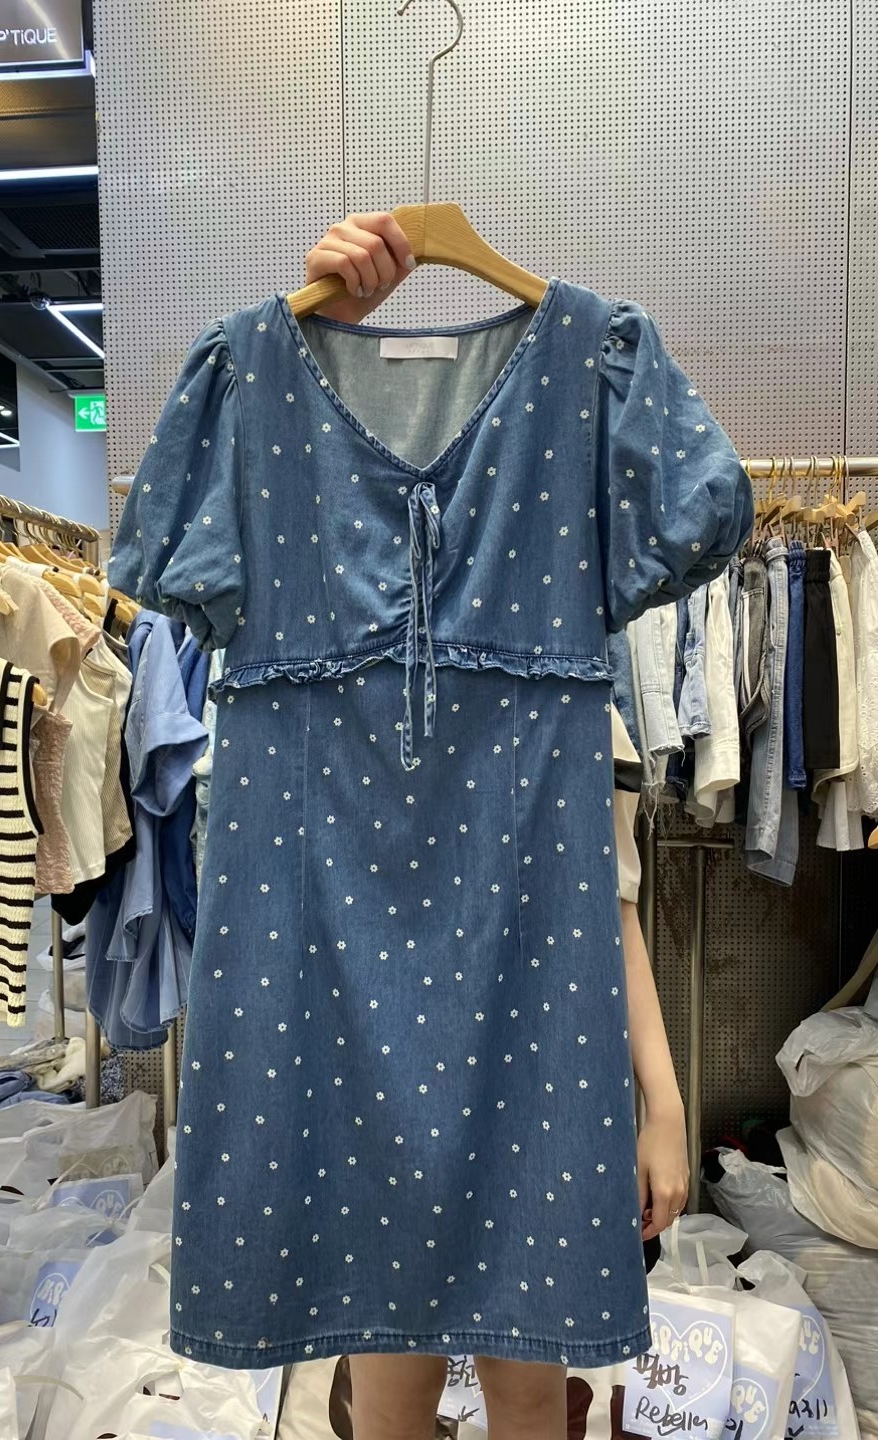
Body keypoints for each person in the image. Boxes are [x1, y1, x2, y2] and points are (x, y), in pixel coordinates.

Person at [303, 214, 689, 1440]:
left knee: (532, 1392)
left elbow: (609, 907)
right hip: (367, 1059)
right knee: (391, 1389)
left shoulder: (571, 669)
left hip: (541, 1058)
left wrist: (663, 1103)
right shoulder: (307, 643)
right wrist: (320, 333)